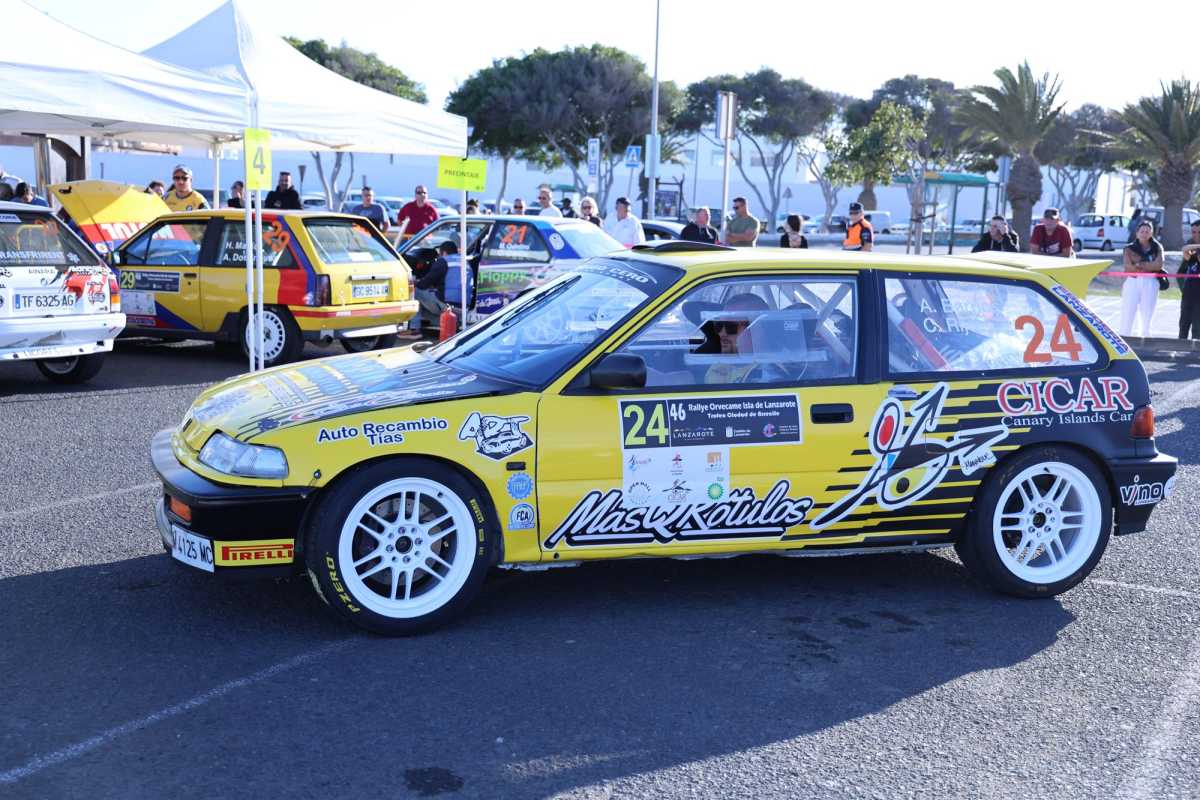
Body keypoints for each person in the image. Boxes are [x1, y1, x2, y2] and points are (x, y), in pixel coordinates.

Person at [704, 293, 771, 384]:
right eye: (720, 325)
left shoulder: (769, 374)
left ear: (758, 330)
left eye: (731, 326)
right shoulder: (722, 363)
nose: (722, 333)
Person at [1119, 220, 1164, 338]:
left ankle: (1145, 337)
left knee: (1147, 312)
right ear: (1137, 233)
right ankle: (1124, 336)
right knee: (1128, 311)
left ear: (1151, 233)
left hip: (1150, 281)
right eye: (1142, 231)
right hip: (1133, 281)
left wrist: (1140, 265)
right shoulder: (1129, 248)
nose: (1144, 234)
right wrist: (1147, 266)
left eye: (1147, 231)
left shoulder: (1157, 247)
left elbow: (1158, 265)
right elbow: (1128, 266)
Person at [414, 241, 455, 333]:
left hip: (446, 304)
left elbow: (424, 284)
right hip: (463, 305)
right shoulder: (463, 261)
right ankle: (449, 323)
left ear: (444, 253)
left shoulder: (443, 261)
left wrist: (415, 282)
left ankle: (414, 329)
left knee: (414, 291)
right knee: (426, 301)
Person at [1178, 220, 1200, 339]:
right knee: (1183, 325)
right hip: (1188, 293)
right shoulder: (1192, 252)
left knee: (1197, 328)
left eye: (1199, 232)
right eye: (1194, 232)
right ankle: (1180, 348)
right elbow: (1184, 249)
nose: (1196, 235)